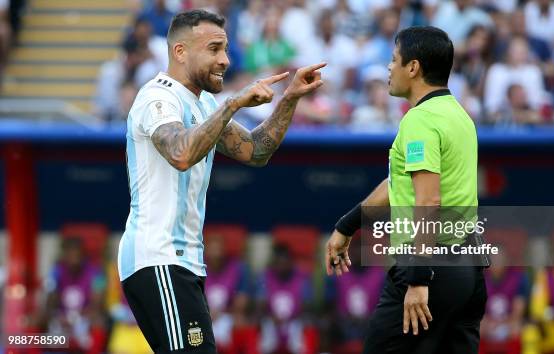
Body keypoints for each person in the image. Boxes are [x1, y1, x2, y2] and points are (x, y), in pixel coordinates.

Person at [118, 9, 325, 354]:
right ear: (180, 52)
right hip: (157, 257)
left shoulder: (203, 104)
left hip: (182, 262)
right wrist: (232, 105)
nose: (225, 60)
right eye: (214, 49)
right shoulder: (158, 98)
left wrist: (289, 99)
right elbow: (181, 154)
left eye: (226, 50)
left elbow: (257, 151)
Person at [325, 26, 486, 354]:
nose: (388, 67)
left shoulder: (419, 120)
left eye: (393, 59)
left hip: (430, 271)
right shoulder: (460, 116)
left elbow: (428, 198)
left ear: (413, 68)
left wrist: (417, 278)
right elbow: (400, 185)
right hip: (468, 270)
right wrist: (347, 226)